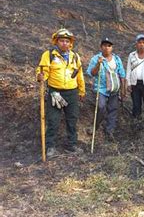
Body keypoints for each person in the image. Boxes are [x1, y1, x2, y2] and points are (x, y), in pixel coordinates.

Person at [35, 28, 85, 157]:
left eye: (66, 41)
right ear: (56, 42)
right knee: (53, 120)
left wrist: (81, 91)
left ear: (70, 43)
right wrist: (40, 77)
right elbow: (43, 71)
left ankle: (72, 145)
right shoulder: (49, 54)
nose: (64, 43)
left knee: (72, 119)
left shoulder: (75, 56)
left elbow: (79, 75)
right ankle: (50, 147)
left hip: (72, 92)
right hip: (55, 92)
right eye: (61, 41)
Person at [87, 38, 126, 143]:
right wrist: (98, 64)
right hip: (101, 88)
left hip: (114, 88)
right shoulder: (96, 58)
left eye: (109, 46)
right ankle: (95, 126)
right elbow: (92, 73)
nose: (107, 48)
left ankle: (110, 130)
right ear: (101, 47)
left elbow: (122, 75)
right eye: (104, 45)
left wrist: (123, 90)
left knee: (113, 109)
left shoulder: (117, 59)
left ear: (112, 48)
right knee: (101, 106)